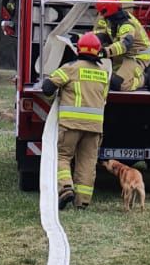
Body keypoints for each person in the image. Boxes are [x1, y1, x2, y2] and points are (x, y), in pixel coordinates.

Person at [40, 32, 110, 210]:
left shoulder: (70, 68)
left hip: (70, 125)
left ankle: (65, 188)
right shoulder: (104, 73)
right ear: (98, 51)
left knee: (63, 156)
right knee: (87, 163)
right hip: (95, 127)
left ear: (78, 49)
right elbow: (104, 99)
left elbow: (47, 88)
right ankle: (82, 202)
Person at [94, 0, 150, 92]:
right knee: (106, 79)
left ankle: (146, 78)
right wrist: (83, 39)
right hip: (122, 55)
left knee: (119, 84)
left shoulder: (126, 25)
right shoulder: (112, 18)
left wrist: (103, 52)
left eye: (102, 12)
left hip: (136, 56)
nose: (100, 14)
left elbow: (125, 45)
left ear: (107, 10)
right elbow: (104, 35)